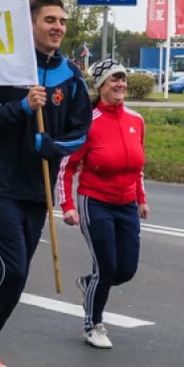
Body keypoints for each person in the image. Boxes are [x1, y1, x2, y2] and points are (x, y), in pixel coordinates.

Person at [0, 0, 92, 367]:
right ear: (30, 24)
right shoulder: (4, 67)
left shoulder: (70, 75)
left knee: (19, 274)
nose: (58, 27)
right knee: (12, 268)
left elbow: (82, 131)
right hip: (0, 180)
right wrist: (20, 108)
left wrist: (51, 145)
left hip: (39, 186)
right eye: (49, 20)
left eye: (62, 21)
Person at [58, 60, 149, 349]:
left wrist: (141, 199)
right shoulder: (90, 121)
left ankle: (90, 284)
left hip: (126, 205)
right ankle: (92, 324)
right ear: (101, 85)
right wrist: (67, 204)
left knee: (126, 270)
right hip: (94, 202)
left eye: (123, 79)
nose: (121, 84)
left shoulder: (136, 120)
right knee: (107, 267)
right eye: (114, 80)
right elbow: (67, 166)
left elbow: (138, 166)